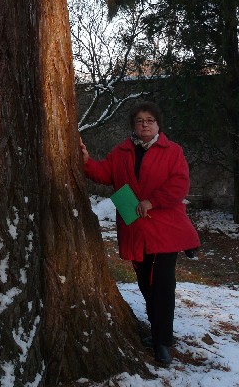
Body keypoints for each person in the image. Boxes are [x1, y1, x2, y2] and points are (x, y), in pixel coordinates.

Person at [79, 101, 200, 366]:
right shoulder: (121, 151)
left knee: (163, 286)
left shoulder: (172, 151)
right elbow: (105, 173)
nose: (144, 125)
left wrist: (152, 201)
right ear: (133, 125)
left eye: (150, 120)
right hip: (135, 227)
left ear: (158, 125)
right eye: (139, 121)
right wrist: (87, 162)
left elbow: (179, 185)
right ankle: (158, 332)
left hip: (164, 229)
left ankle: (163, 342)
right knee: (146, 283)